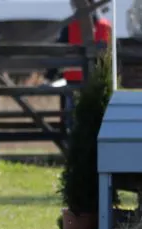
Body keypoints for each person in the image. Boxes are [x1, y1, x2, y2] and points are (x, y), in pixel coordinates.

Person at [46, 0, 112, 132]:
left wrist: (49, 75)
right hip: (99, 82)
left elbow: (58, 52)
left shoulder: (69, 27)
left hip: (73, 80)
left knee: (71, 120)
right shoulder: (106, 27)